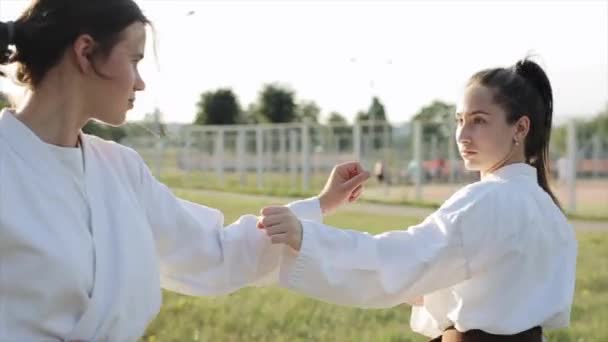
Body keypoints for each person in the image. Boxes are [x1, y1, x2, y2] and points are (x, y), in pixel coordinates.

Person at [0, 1, 369, 340]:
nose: (140, 82)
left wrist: (320, 205)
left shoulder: (120, 169)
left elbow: (211, 252)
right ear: (85, 53)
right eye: (135, 60)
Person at [260, 58, 578, 341]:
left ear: (520, 128)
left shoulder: (487, 200)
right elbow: (483, 287)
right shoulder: (549, 211)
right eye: (459, 120)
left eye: (479, 120)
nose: (463, 135)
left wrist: (308, 238)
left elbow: (400, 257)